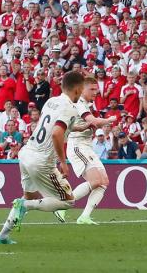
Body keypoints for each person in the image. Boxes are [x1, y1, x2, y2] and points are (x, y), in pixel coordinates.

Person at [0, 71, 86, 245]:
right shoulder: (70, 108)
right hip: (42, 161)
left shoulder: (52, 101)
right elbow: (57, 134)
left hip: (27, 153)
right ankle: (24, 207)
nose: (81, 93)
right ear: (77, 89)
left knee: (28, 196)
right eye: (81, 89)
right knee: (67, 201)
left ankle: (2, 236)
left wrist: (77, 128)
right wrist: (63, 162)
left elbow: (52, 127)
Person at [55, 77, 117, 225]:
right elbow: (94, 121)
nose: (95, 92)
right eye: (92, 89)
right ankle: (61, 206)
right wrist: (110, 119)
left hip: (87, 146)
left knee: (103, 183)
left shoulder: (87, 104)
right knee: (95, 181)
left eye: (96, 89)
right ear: (83, 89)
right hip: (78, 145)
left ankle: (84, 217)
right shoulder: (80, 103)